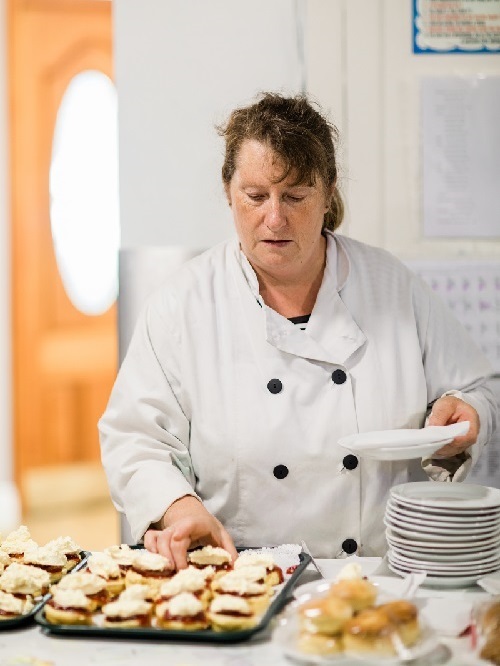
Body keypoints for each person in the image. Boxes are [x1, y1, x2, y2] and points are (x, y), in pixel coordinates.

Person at [99, 92, 497, 568]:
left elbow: (481, 389)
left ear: (328, 193)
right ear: (228, 191)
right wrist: (176, 506)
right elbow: (135, 439)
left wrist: (468, 411)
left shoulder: (392, 289)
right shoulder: (183, 304)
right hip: (241, 582)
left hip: (378, 580)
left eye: (295, 196)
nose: (274, 218)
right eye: (255, 196)